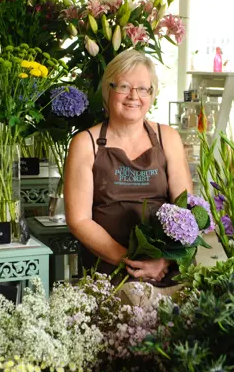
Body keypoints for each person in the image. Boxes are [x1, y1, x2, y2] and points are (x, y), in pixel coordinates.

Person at [65, 49, 192, 285]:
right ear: (108, 90)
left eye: (143, 88)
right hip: (107, 271)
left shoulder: (168, 138)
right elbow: (79, 220)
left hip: (165, 270)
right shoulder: (85, 143)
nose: (133, 96)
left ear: (152, 95)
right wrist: (129, 261)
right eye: (123, 86)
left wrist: (164, 261)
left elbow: (187, 212)